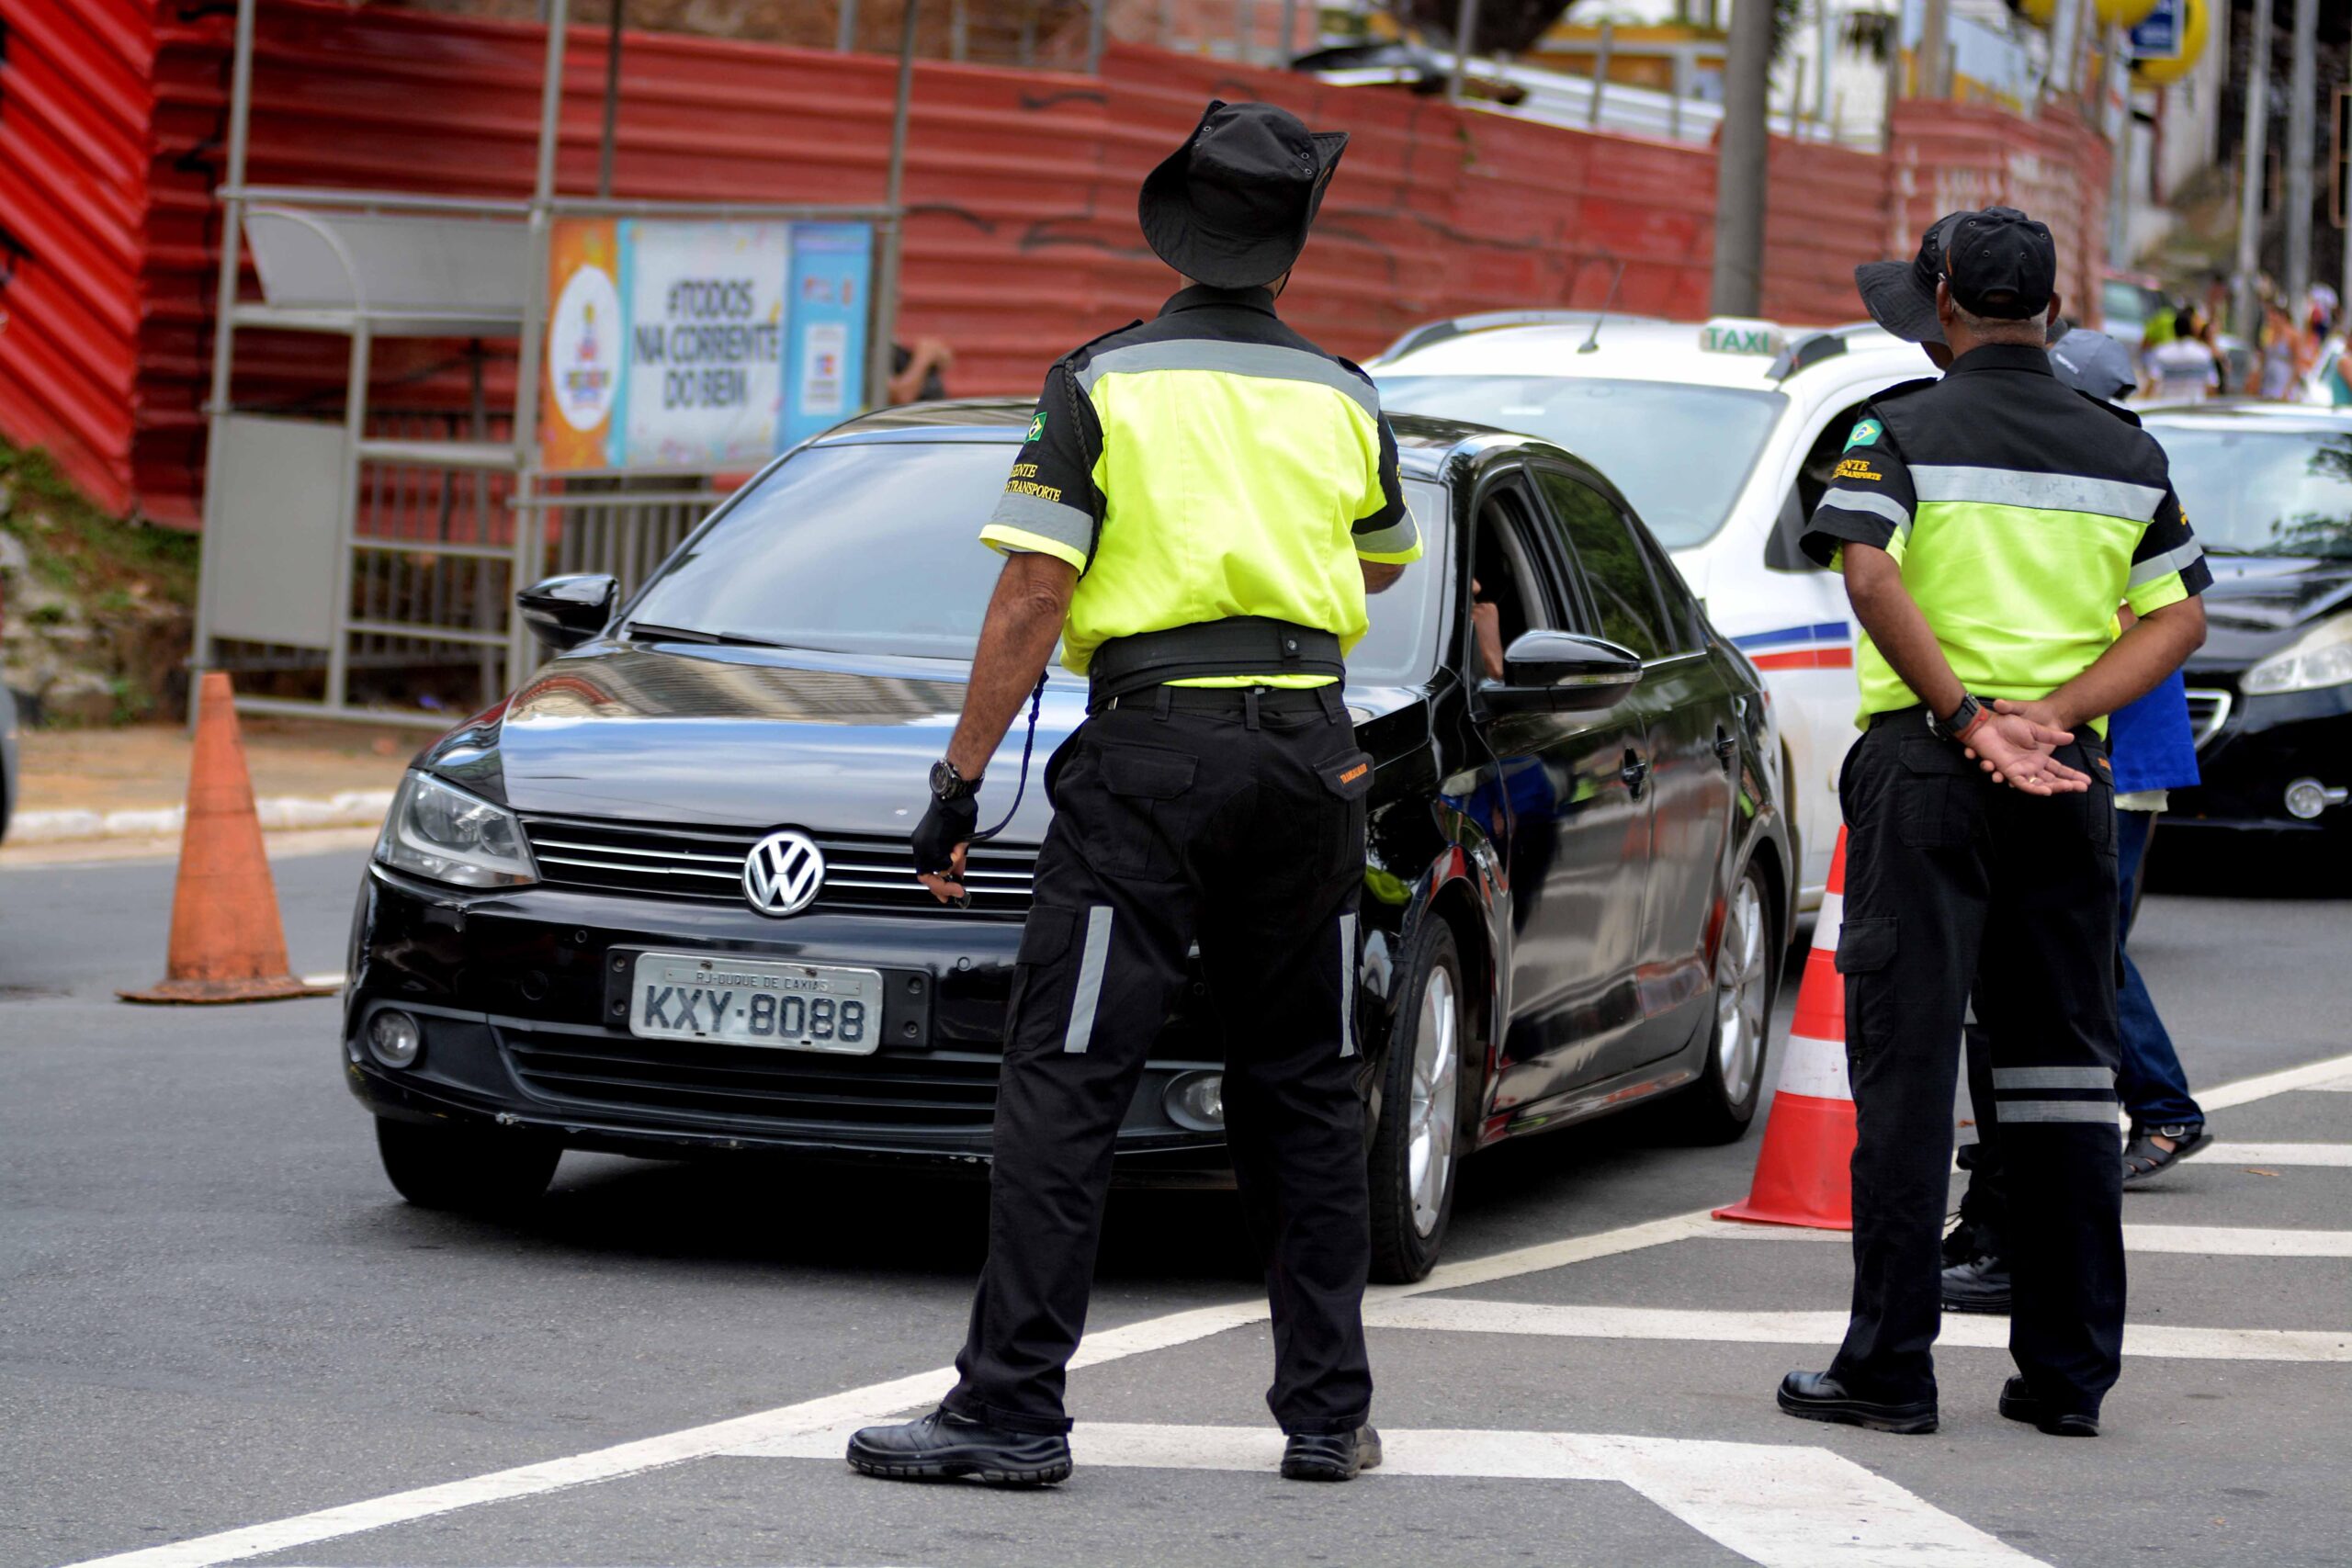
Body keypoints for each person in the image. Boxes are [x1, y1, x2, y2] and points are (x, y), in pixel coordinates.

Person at [846, 99, 1419, 1489]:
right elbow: (1384, 560)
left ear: (1173, 226)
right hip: (1307, 748)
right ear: (1287, 246)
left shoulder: (1101, 381)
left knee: (1069, 1081)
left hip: (1154, 755)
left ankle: (1012, 1409)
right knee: (1303, 1086)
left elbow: (1036, 587)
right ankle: (1329, 1413)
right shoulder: (1345, 392)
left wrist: (958, 780)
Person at [1778, 207, 2210, 1439]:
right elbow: (2175, 620)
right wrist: (2052, 715)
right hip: (2065, 777)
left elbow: (1868, 573)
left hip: (1927, 769)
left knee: (1908, 1069)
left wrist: (1970, 716)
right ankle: (2068, 1373)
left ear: (1947, 302)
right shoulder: (2123, 449)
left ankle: (1890, 1369)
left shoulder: (1897, 432)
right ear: (2053, 308)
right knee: (2068, 1073)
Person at [1941, 329, 2214, 1315]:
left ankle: (2163, 1111)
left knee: (2087, 962)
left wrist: (2027, 711)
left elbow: (2140, 620)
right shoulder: (2106, 460)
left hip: (2111, 759)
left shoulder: (2111, 468)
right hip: (2090, 754)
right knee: (2079, 961)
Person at [2143, 305, 2221, 401]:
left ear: (2174, 329)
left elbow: (2152, 382)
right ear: (2191, 330)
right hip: (2195, 408)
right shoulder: (2204, 354)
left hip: (2168, 407)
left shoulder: (2162, 353)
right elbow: (2211, 386)